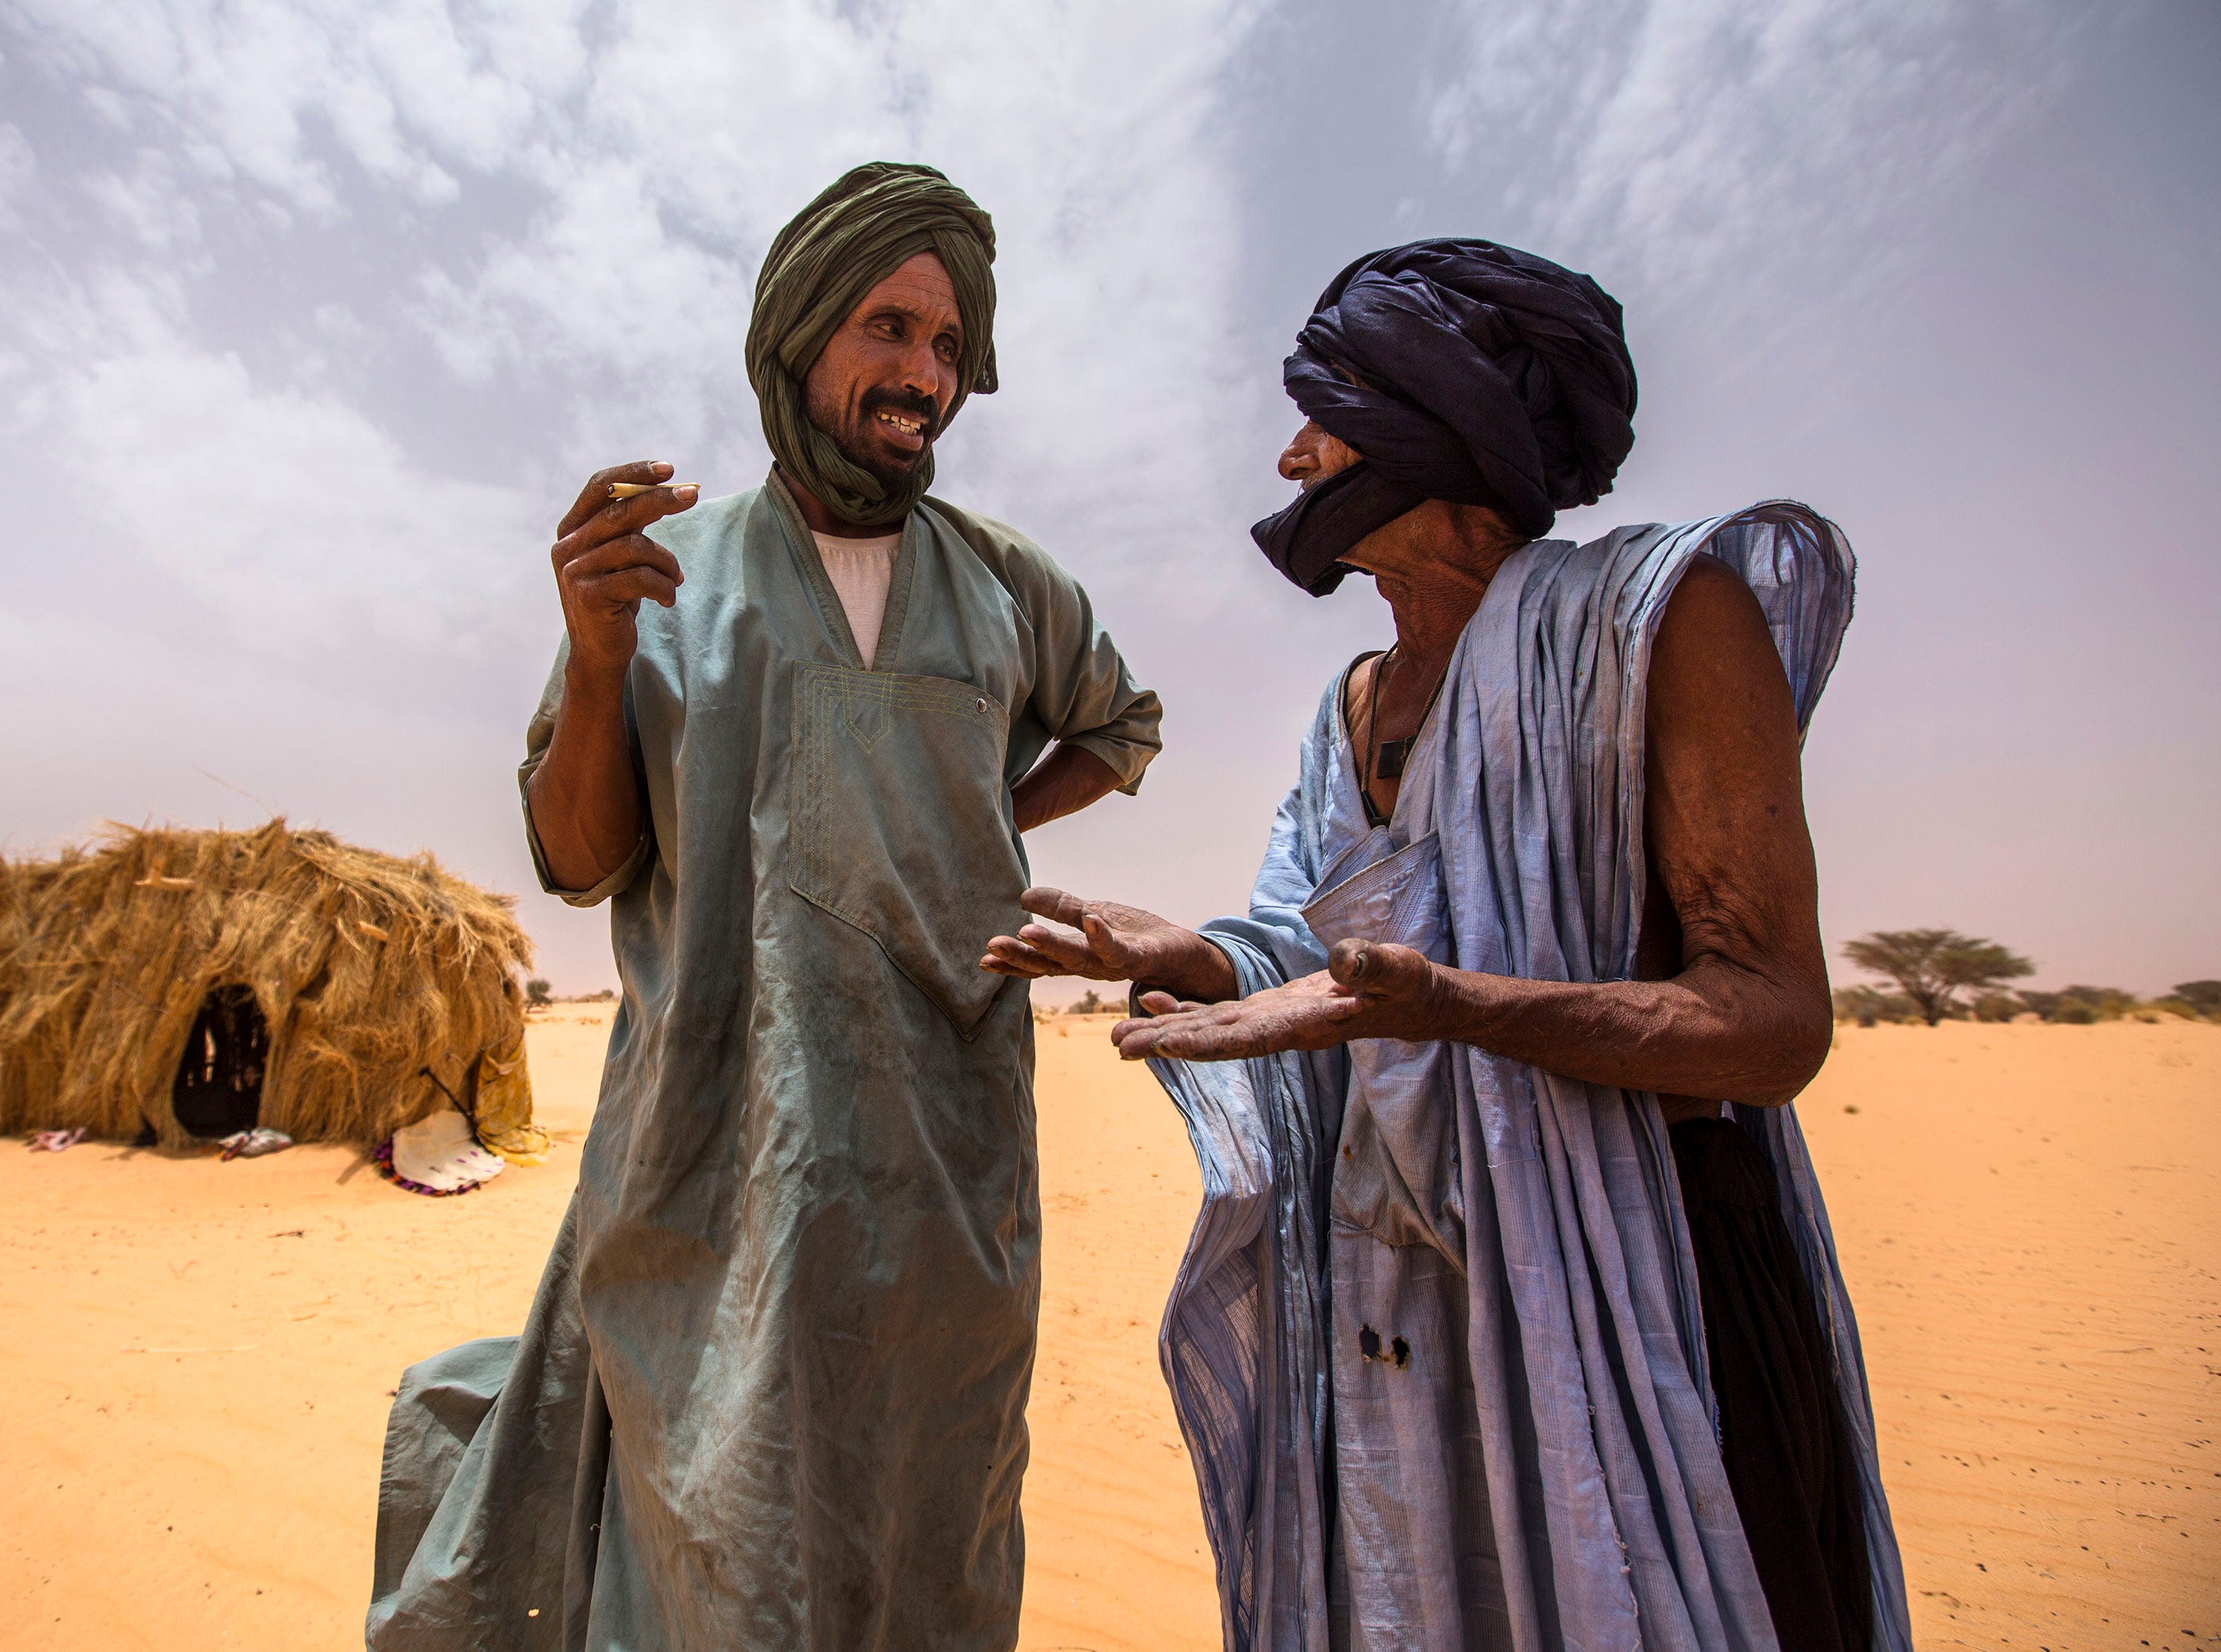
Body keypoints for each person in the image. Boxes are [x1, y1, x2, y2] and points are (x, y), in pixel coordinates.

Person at [981, 241, 1910, 1652]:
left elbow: (1771, 1019)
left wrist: (1461, 1007)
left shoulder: (1664, 620)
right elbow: (1321, 958)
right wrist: (1198, 954)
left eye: (1326, 411)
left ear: (1445, 418)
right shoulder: (1349, 707)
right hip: (1405, 1318)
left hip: (1647, 1301)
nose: (1293, 457)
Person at [369, 162, 1163, 1649]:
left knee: (935, 1529)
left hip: (949, 1181)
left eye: (946, 342)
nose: (923, 372)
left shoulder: (1002, 586)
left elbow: (1121, 725)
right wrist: (598, 653)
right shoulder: (668, 573)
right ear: (800, 338)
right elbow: (581, 854)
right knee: (720, 1547)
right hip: (712, 1169)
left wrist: (983, 819)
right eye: (888, 327)